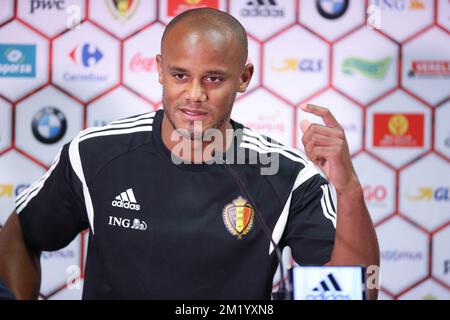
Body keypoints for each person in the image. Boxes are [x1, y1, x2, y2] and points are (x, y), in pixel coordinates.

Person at [0, 8, 379, 300]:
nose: (195, 94)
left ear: (243, 78)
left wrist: (350, 191)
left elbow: (356, 289)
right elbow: (20, 234)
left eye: (213, 79)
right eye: (181, 75)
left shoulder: (286, 174)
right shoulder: (95, 154)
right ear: (160, 70)